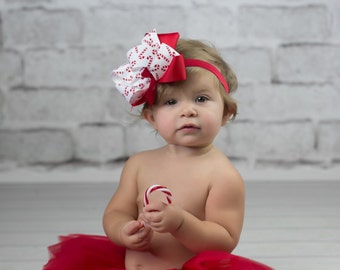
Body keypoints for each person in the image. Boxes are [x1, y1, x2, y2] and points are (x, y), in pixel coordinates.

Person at [43, 29, 272, 270]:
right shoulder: (139, 165)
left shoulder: (223, 177)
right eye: (171, 102)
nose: (188, 111)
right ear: (151, 117)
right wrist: (123, 231)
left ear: (226, 113)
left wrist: (181, 224)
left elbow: (224, 240)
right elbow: (117, 212)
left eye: (201, 99)